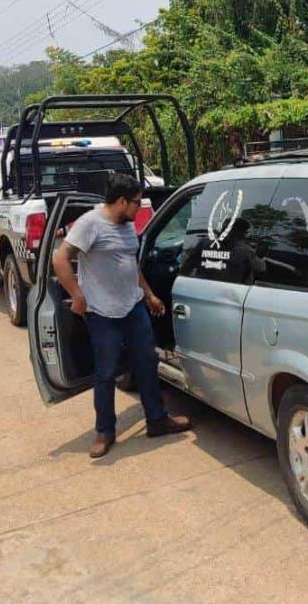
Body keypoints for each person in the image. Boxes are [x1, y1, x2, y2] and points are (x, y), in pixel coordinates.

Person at [52, 172, 192, 459]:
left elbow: (129, 263)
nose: (139, 208)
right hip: (103, 313)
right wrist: (77, 295)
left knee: (147, 363)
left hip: (134, 307)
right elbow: (60, 258)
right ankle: (104, 431)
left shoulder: (127, 225)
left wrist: (149, 294)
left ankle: (157, 420)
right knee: (105, 373)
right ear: (120, 201)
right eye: (136, 203)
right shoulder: (91, 224)